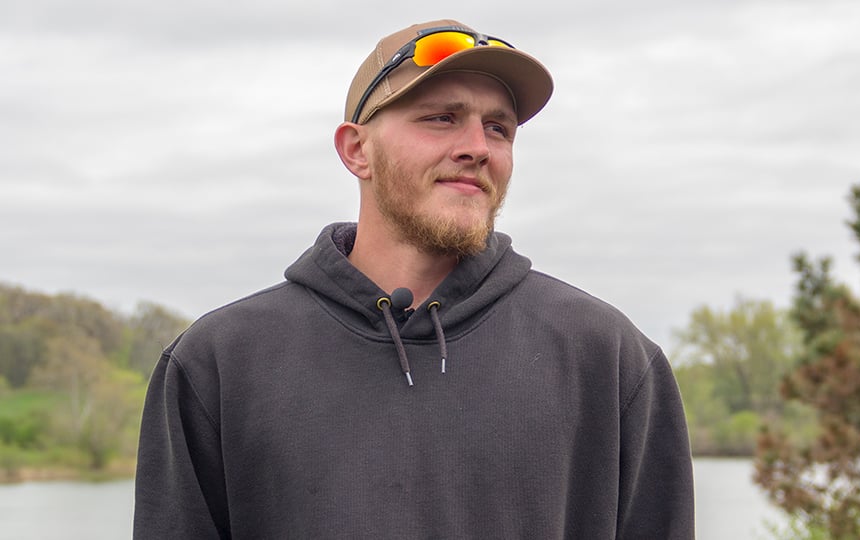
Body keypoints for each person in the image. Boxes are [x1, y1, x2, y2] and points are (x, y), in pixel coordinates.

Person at [133, 19, 695, 539]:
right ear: (357, 150)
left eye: (498, 127)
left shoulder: (610, 359)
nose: (477, 147)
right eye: (441, 118)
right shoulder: (218, 364)